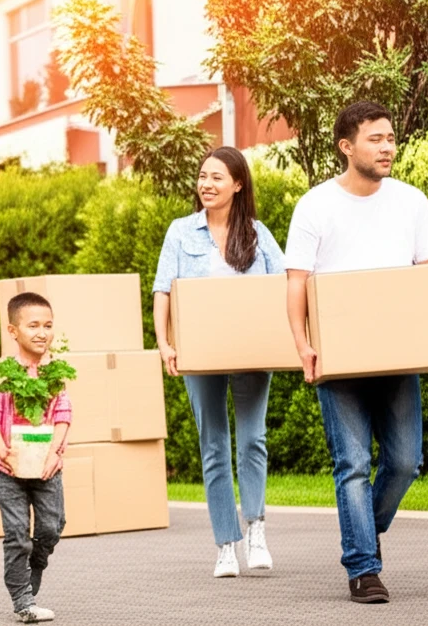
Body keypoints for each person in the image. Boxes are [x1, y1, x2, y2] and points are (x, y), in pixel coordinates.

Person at [284, 101, 428, 603]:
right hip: (339, 359)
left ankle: (362, 534)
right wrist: (304, 345)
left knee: (404, 462)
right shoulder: (315, 205)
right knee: (351, 462)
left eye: (391, 138)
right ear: (346, 146)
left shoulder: (411, 202)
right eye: (376, 139)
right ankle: (363, 568)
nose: (388, 147)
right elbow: (297, 285)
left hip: (396, 356)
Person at [152, 146, 284, 578]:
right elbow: (163, 291)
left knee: (251, 440)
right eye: (202, 176)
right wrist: (164, 342)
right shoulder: (181, 231)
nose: (206, 184)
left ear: (238, 184)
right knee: (213, 447)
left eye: (216, 178)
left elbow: (285, 286)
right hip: (200, 354)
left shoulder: (259, 234)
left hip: (251, 352)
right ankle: (226, 544)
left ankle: (256, 529)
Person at [0, 292, 72, 624]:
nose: (42, 332)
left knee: (51, 527)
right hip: (11, 471)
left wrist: (55, 451)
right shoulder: (2, 372)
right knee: (17, 534)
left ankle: (35, 565)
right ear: (13, 330)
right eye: (33, 325)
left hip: (48, 469)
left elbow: (63, 413)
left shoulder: (56, 372)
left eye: (48, 325)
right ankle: (23, 602)